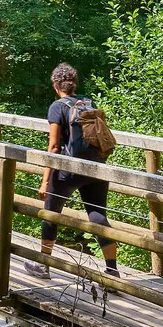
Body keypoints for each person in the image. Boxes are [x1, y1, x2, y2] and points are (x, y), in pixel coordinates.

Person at [31, 62, 119, 280]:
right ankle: (112, 270)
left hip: (68, 171)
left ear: (56, 85)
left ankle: (44, 265)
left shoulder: (57, 107)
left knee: (51, 214)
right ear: (74, 84)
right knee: (98, 215)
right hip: (96, 169)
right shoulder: (88, 103)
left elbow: (53, 146)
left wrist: (45, 181)